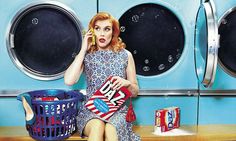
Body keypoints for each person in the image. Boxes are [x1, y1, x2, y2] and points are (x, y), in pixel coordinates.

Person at [64, 12, 140, 141]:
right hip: (91, 111)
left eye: (107, 29)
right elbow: (69, 80)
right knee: (98, 126)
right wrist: (83, 49)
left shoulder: (125, 55)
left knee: (111, 129)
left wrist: (126, 83)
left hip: (118, 112)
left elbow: (135, 92)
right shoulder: (86, 55)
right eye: (97, 28)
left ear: (114, 32)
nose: (102, 33)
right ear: (92, 32)